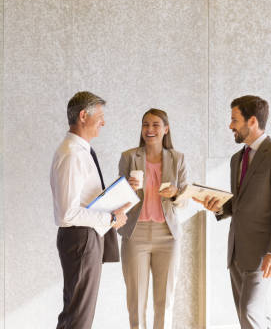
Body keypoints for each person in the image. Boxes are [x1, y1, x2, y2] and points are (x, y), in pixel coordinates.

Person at [196, 95, 271, 329]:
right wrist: (218, 206)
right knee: (255, 312)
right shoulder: (237, 159)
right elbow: (238, 204)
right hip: (237, 250)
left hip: (263, 252)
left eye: (234, 120)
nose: (230, 126)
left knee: (249, 311)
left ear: (252, 121)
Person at [51, 91, 129, 329]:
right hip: (81, 238)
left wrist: (122, 191)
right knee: (78, 317)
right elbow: (68, 213)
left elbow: (86, 198)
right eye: (100, 116)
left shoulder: (80, 151)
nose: (103, 122)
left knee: (77, 313)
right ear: (83, 116)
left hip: (85, 238)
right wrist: (111, 217)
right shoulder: (72, 154)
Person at [118, 108, 189, 329]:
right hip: (135, 234)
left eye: (155, 125)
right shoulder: (129, 157)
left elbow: (186, 199)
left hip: (167, 236)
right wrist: (126, 189)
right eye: (145, 125)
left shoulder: (178, 159)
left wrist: (176, 194)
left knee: (164, 301)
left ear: (166, 129)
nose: (150, 129)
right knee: (136, 301)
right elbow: (117, 199)